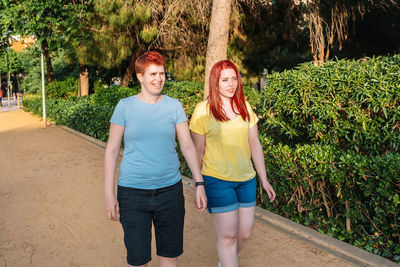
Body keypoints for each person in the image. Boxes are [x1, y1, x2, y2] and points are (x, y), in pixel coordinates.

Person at [104, 51, 207, 267]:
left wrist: (199, 183)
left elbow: (187, 145)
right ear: (140, 76)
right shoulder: (125, 106)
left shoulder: (174, 106)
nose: (158, 78)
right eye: (152, 74)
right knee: (138, 260)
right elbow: (112, 150)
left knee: (169, 257)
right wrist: (108, 193)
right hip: (132, 194)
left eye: (161, 73)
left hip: (170, 192)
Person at [189, 60, 276, 267]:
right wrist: (198, 184)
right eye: (225, 79)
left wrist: (264, 179)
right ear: (215, 83)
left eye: (234, 78)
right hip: (217, 179)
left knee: (244, 233)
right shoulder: (203, 110)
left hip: (246, 179)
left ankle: (226, 261)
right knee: (227, 236)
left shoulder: (244, 107)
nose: (231, 84)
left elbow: (255, 145)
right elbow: (197, 151)